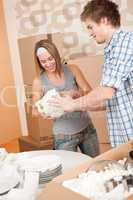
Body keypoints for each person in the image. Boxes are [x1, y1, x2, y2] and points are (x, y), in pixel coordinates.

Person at [49, 0, 133, 148]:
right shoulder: (111, 50)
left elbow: (106, 92)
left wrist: (73, 105)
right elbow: (107, 101)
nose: (90, 33)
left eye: (90, 27)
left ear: (104, 20)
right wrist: (79, 99)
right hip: (123, 137)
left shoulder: (124, 43)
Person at [32, 39, 99, 157]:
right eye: (43, 61)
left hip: (87, 128)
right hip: (64, 137)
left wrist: (73, 93)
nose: (48, 64)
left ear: (56, 56)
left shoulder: (73, 69)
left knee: (96, 165)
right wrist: (45, 112)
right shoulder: (38, 81)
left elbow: (89, 92)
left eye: (50, 59)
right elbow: (34, 111)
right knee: (69, 172)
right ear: (38, 62)